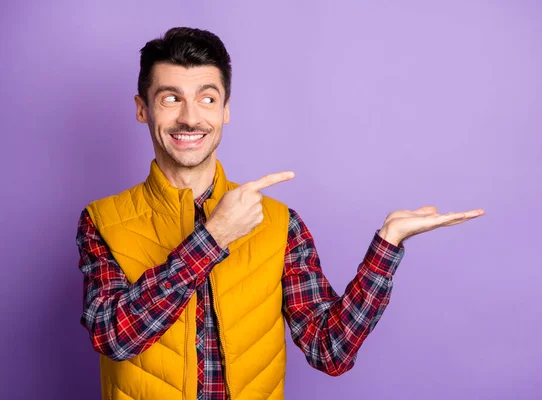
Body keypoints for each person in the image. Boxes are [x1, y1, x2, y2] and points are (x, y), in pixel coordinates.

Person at [76, 27, 484, 400]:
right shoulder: (102, 220)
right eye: (170, 98)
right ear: (142, 108)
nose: (190, 117)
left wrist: (387, 245)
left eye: (207, 98)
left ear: (225, 110)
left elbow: (331, 351)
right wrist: (213, 238)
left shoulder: (279, 223)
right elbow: (115, 337)